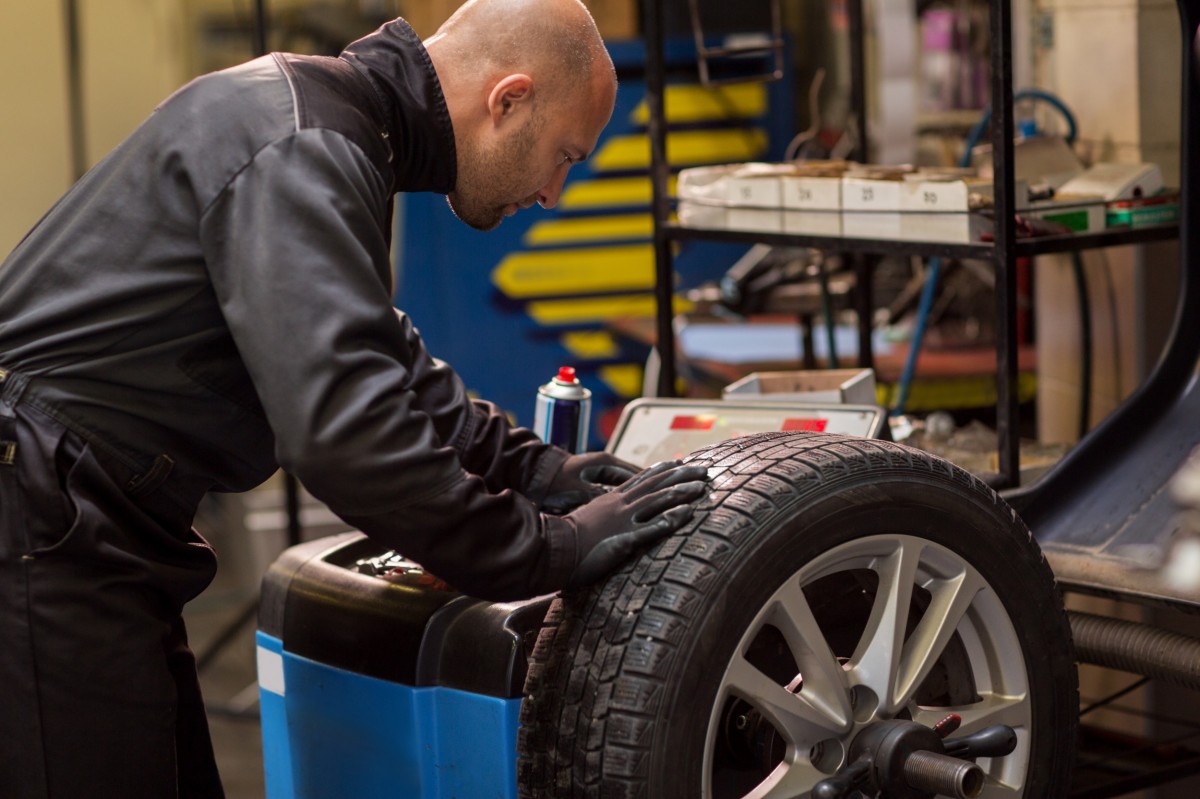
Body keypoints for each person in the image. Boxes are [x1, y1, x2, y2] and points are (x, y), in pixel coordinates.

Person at [0, 0, 709, 795]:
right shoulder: (306, 144)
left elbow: (378, 354)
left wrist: (543, 473)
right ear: (507, 100)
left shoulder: (330, 125)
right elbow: (350, 437)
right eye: (564, 155)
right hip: (38, 516)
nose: (552, 192)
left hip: (87, 521)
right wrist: (550, 548)